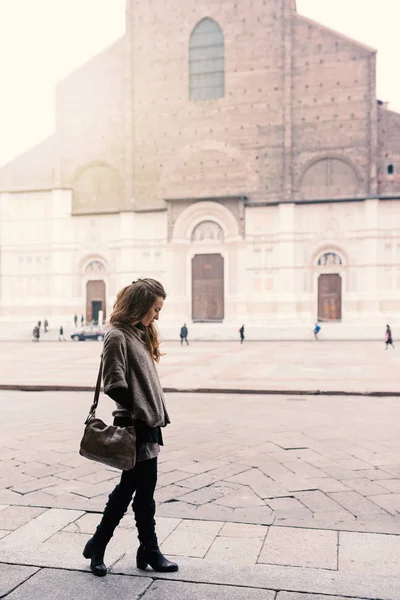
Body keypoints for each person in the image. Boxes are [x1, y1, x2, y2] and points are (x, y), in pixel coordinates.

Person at [83, 279, 178, 577]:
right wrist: (140, 411)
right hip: (135, 424)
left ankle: (105, 545)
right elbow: (114, 384)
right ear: (139, 305)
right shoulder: (117, 336)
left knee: (135, 490)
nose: (157, 316)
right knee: (137, 491)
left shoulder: (139, 334)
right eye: (155, 308)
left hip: (147, 424)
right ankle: (143, 549)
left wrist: (149, 413)